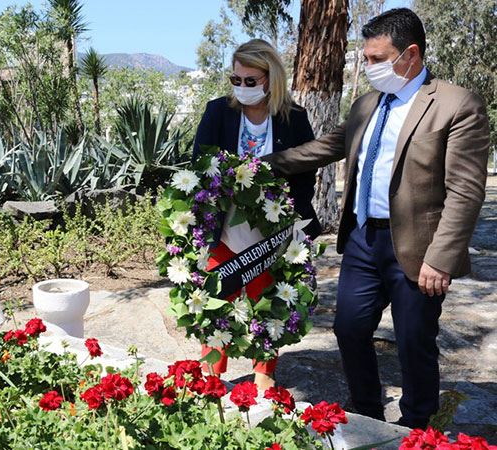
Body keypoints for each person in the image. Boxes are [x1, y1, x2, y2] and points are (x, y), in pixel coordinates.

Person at [265, 8, 490, 428]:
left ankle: (415, 427)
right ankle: (367, 415)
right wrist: (263, 165)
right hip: (364, 240)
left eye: (376, 59)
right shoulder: (367, 104)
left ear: (410, 55)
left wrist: (441, 258)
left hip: (420, 248)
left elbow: (465, 190)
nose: (368, 67)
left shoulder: (457, 105)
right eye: (366, 58)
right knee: (349, 329)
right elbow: (325, 147)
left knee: (413, 343)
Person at [193, 39, 322, 388]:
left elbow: (306, 172)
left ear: (270, 78)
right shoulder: (218, 111)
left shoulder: (294, 118)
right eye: (236, 80)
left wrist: (286, 212)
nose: (242, 87)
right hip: (224, 227)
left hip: (273, 231)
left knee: (269, 301)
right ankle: (210, 380)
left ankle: (265, 376)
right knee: (216, 300)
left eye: (250, 81)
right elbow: (199, 164)